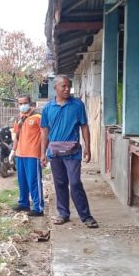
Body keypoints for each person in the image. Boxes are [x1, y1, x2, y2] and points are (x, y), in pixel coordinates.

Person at [40, 75, 99, 228]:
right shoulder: (47, 108)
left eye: (68, 86)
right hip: (55, 153)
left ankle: (86, 216)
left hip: (73, 152)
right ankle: (63, 213)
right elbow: (44, 132)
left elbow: (84, 126)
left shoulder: (77, 105)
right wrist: (42, 153)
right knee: (60, 183)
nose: (67, 89)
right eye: (63, 86)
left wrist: (88, 146)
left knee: (75, 182)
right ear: (56, 88)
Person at [10, 95, 44, 216]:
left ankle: (38, 207)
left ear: (30, 103)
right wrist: (13, 151)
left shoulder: (38, 117)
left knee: (33, 181)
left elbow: (45, 135)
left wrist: (43, 153)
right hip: (20, 154)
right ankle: (23, 203)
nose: (22, 105)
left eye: (25, 103)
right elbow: (16, 137)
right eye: (20, 103)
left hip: (33, 154)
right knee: (22, 180)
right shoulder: (19, 119)